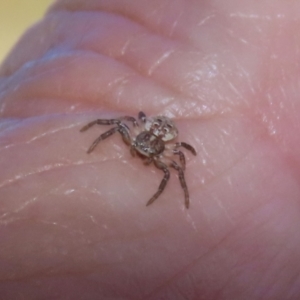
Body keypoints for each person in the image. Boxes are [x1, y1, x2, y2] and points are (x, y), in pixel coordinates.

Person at [0, 0, 299, 299]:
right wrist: (95, 137)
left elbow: (178, 157)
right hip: (152, 128)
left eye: (143, 152)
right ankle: (96, 142)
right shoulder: (137, 133)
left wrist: (177, 186)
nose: (139, 154)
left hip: (162, 134)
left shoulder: (164, 152)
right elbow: (120, 122)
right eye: (140, 149)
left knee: (173, 169)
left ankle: (169, 195)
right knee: (117, 124)